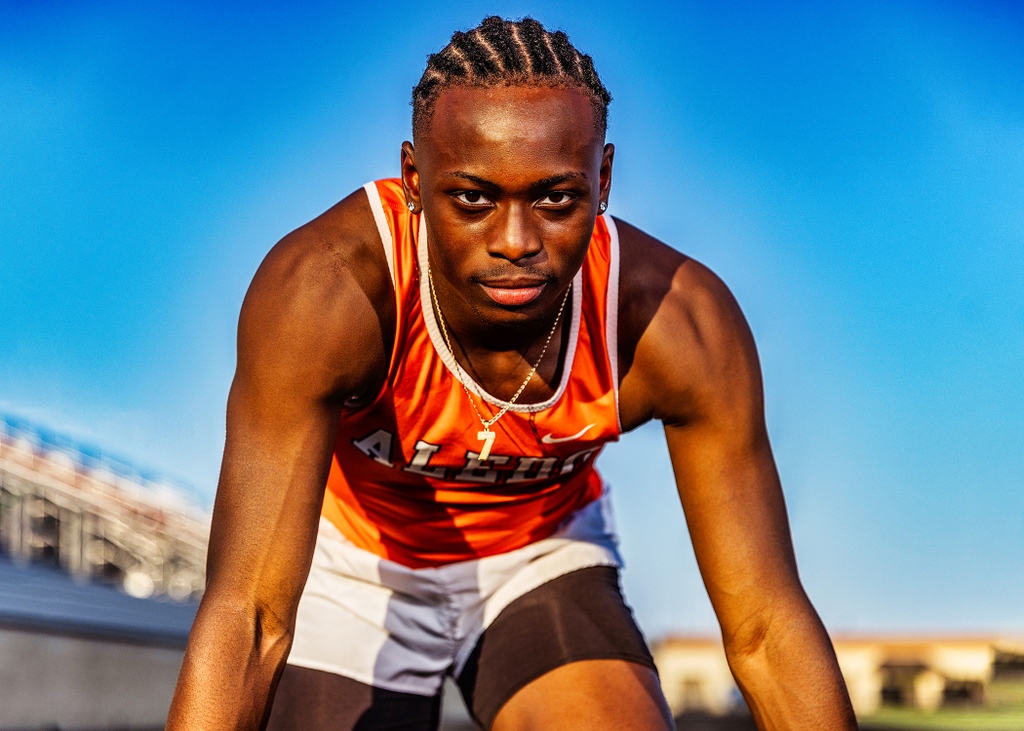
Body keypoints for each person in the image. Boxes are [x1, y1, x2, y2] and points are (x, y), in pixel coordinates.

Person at [168, 16, 857, 731]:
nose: (516, 241)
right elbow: (247, 614)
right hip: (355, 568)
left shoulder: (674, 323)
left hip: (537, 557)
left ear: (604, 178)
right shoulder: (325, 292)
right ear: (413, 179)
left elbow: (767, 629)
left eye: (556, 198)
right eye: (472, 198)